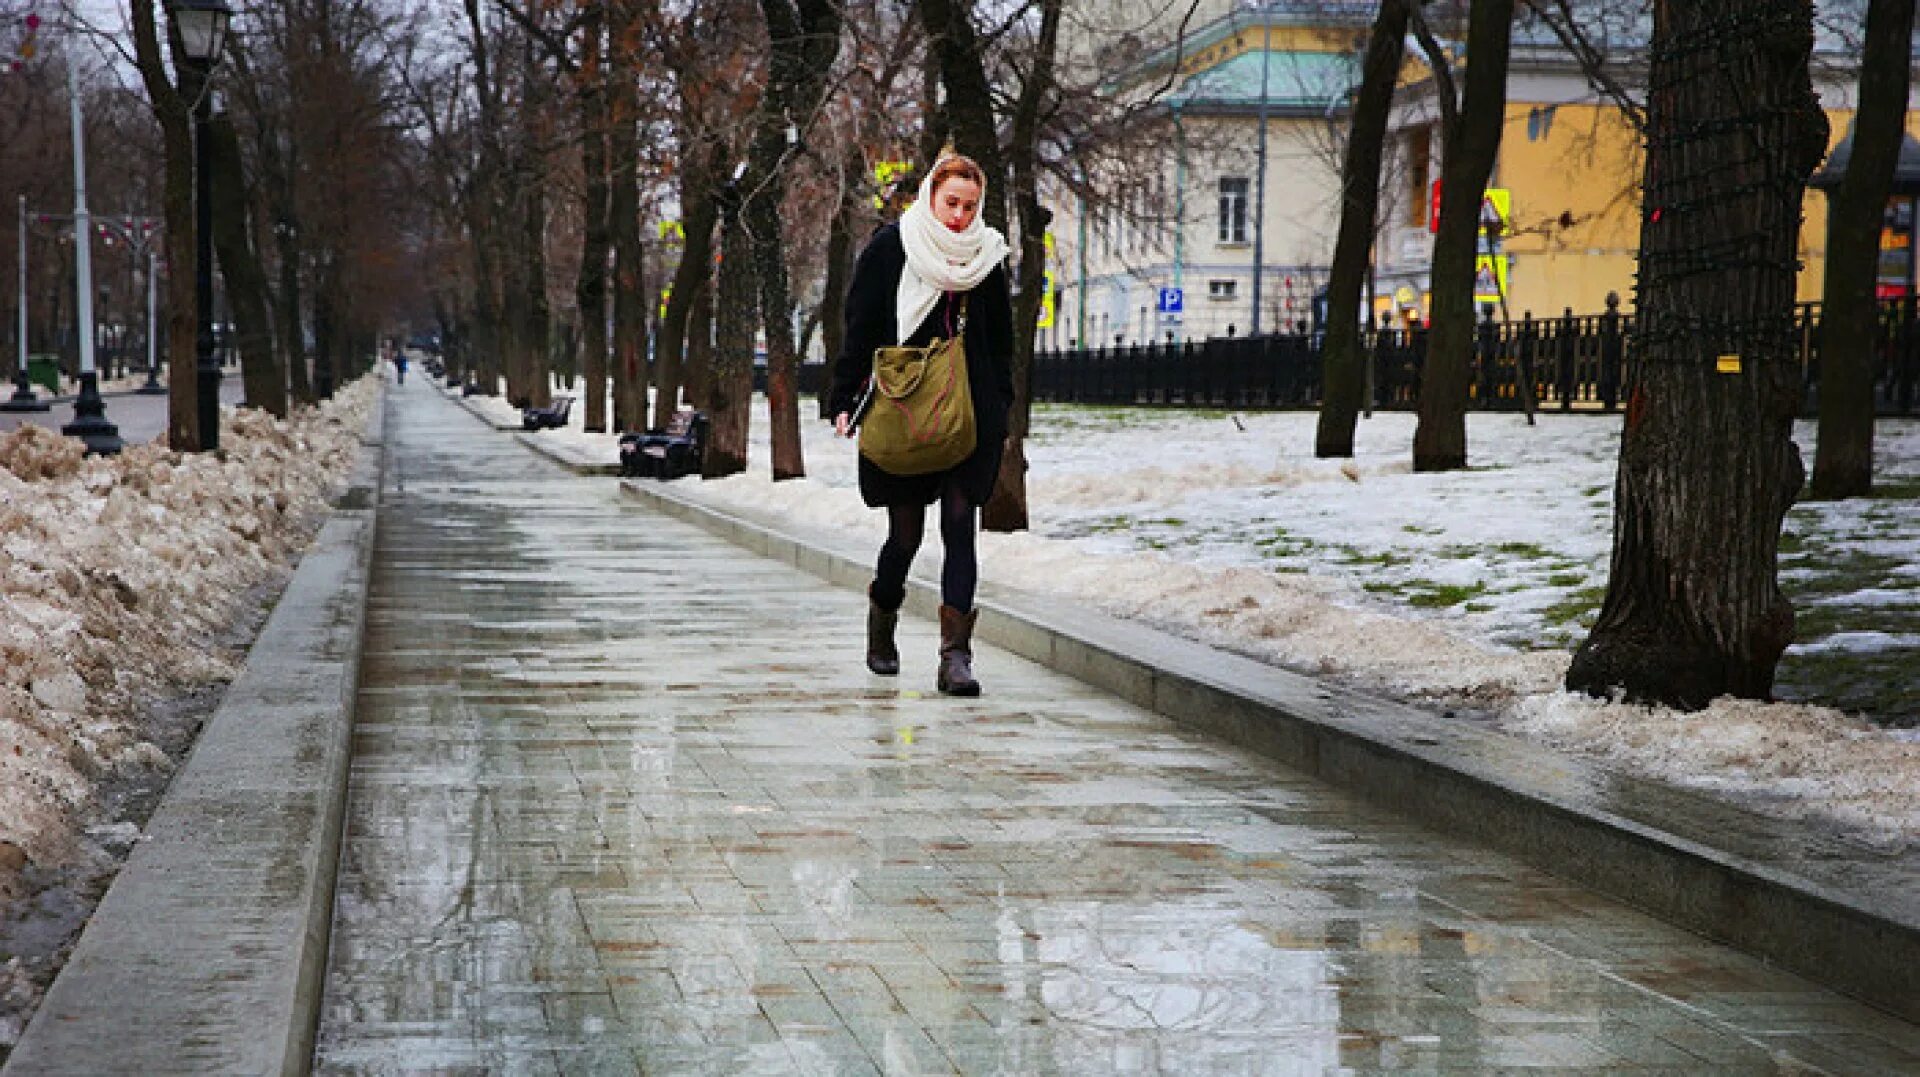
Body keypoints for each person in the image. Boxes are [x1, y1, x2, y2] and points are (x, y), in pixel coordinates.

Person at [829, 154, 1014, 697]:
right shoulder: (892, 248)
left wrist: (1001, 409)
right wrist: (844, 397)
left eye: (970, 206)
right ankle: (882, 619)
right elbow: (860, 327)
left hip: (969, 413)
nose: (959, 216)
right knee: (905, 535)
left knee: (961, 526)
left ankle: (955, 658)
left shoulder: (988, 258)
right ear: (932, 197)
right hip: (903, 405)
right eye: (951, 203)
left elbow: (1001, 344)